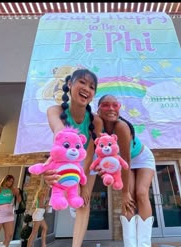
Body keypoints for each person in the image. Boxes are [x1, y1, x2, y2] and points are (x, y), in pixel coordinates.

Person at [43, 68, 104, 247]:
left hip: (86, 162)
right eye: (82, 82)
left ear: (93, 94)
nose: (87, 88)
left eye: (92, 87)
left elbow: (91, 152)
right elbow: (59, 133)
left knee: (84, 202)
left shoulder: (96, 120)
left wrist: (82, 183)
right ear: (70, 85)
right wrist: (50, 167)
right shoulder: (54, 110)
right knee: (62, 194)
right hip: (64, 159)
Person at [97, 94, 156, 247]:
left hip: (141, 158)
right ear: (98, 109)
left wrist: (124, 192)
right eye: (105, 105)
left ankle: (144, 244)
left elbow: (126, 160)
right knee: (128, 201)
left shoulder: (121, 127)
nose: (111, 108)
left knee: (141, 193)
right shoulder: (97, 125)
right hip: (122, 162)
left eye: (115, 105)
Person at [0, 174, 21, 247]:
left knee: (9, 235)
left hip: (9, 215)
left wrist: (18, 193)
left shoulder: (12, 190)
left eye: (12, 182)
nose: (10, 183)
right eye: (9, 181)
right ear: (5, 180)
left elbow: (19, 200)